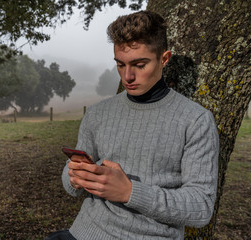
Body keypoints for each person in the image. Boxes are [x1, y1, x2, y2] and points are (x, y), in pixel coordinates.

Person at [46, 10, 219, 240]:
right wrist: (75, 176)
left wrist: (130, 192)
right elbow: (69, 182)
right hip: (82, 233)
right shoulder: (98, 113)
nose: (127, 76)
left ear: (164, 59)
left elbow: (201, 207)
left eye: (139, 64)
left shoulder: (196, 121)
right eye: (120, 64)